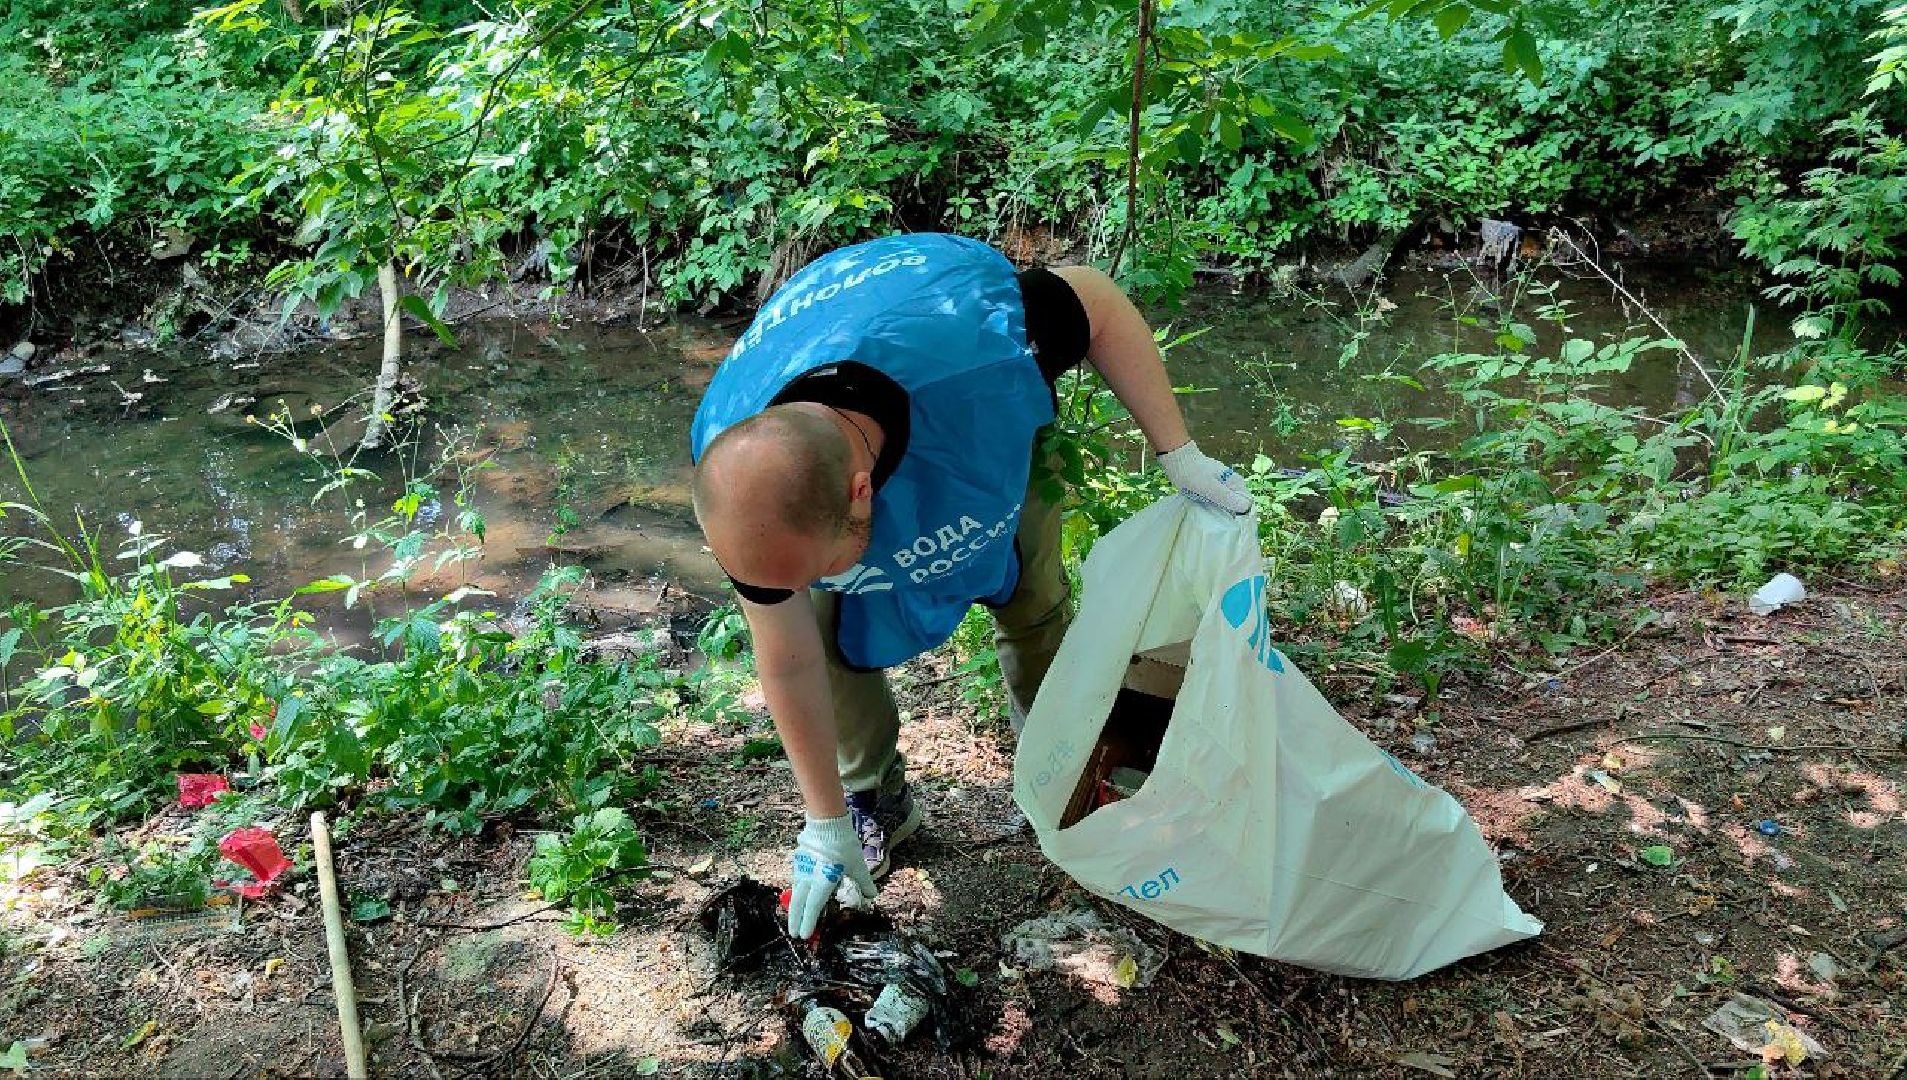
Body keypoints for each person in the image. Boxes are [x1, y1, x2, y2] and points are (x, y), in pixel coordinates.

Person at [688, 233, 1250, 938]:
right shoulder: (741, 473)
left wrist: (1180, 453)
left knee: (1031, 597)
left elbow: (1097, 301)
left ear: (865, 495)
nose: (796, 591)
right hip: (831, 411)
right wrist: (821, 820)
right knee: (828, 636)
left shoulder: (985, 347)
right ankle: (875, 800)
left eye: (811, 572)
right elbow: (787, 654)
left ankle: (1063, 770)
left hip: (956, 407)